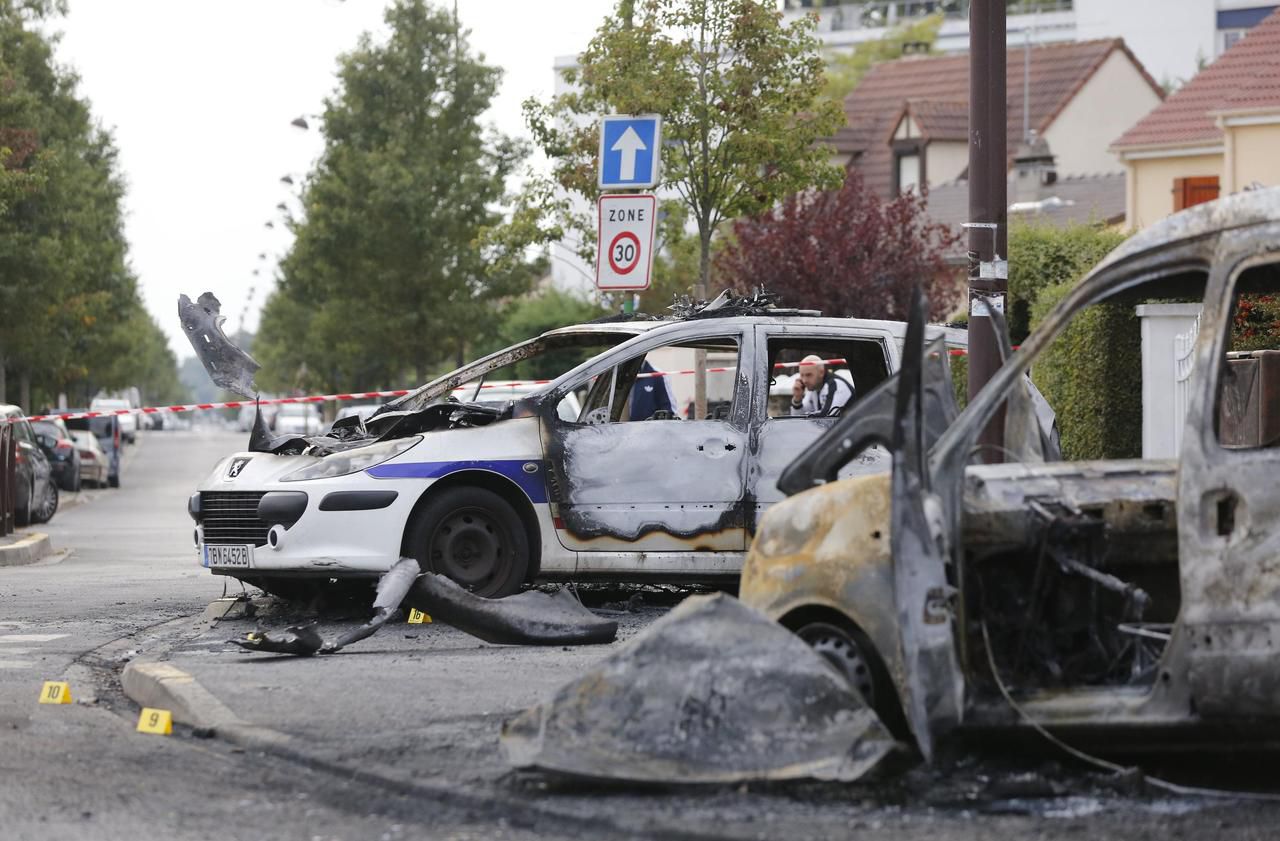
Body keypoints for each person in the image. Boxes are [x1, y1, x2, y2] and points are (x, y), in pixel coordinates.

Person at [790, 354, 855, 417]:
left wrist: (808, 415)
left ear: (821, 372)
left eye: (808, 375)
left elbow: (828, 417)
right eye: (802, 375)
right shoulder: (813, 388)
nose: (804, 380)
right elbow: (799, 418)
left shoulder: (836, 385)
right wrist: (797, 399)